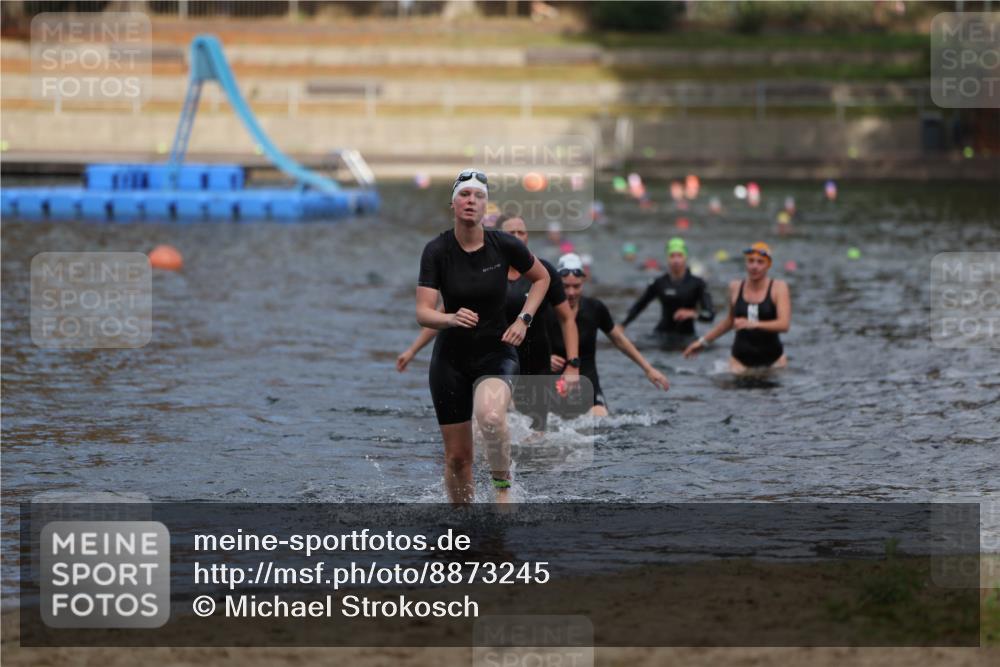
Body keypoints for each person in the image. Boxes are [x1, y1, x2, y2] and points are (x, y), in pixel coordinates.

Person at [415, 169, 550, 504]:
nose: (471, 201)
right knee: (459, 459)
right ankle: (461, 528)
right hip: (450, 360)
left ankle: (503, 489)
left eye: (478, 196)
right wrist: (448, 317)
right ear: (453, 203)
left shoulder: (503, 245)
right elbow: (423, 312)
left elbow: (543, 278)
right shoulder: (437, 250)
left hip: (496, 352)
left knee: (490, 416)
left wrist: (524, 320)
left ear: (486, 206)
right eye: (464, 195)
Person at [399, 214, 581, 433]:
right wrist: (412, 351)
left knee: (536, 437)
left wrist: (573, 365)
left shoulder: (544, 272)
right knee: (489, 423)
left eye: (522, 232)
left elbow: (567, 318)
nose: (517, 237)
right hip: (494, 358)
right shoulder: (486, 270)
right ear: (498, 236)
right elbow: (446, 313)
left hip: (535, 361)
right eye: (511, 233)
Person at [549, 253, 670, 417]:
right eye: (565, 286)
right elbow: (524, 344)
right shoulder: (545, 309)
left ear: (583, 282)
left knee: (600, 419)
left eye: (576, 286)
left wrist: (648, 369)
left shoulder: (594, 308)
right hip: (552, 381)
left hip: (588, 381)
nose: (571, 292)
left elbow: (619, 340)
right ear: (557, 284)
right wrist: (545, 358)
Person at [683, 242, 790, 373]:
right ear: (745, 263)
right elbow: (729, 321)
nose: (754, 266)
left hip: (774, 361)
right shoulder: (735, 287)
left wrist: (754, 324)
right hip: (740, 361)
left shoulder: (778, 288)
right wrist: (703, 342)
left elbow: (784, 325)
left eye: (760, 262)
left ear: (768, 265)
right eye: (751, 261)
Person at [622, 237, 715, 351]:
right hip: (661, 336)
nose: (676, 260)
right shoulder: (659, 283)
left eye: (679, 255)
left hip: (687, 337)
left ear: (685, 257)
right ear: (667, 258)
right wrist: (622, 325)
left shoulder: (697, 283)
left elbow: (710, 315)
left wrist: (692, 314)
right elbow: (640, 305)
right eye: (672, 256)